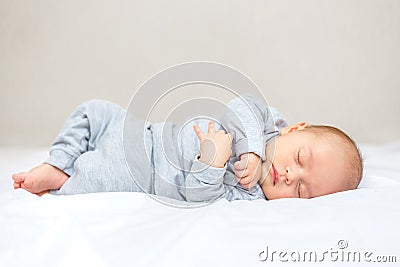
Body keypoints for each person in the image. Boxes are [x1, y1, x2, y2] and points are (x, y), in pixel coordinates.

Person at [11, 94, 363, 202]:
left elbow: (199, 197)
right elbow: (240, 105)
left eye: (301, 190)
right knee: (92, 111)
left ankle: (59, 179)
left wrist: (213, 164)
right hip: (137, 130)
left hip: (136, 172)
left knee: (88, 183)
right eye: (300, 159)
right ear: (296, 129)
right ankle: (58, 160)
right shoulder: (265, 122)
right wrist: (251, 152)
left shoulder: (251, 196)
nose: (288, 175)